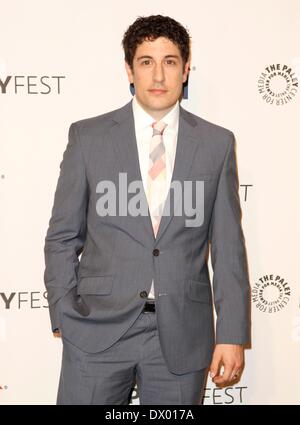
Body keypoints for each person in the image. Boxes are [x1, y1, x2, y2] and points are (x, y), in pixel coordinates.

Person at [44, 14, 250, 405]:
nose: (158, 75)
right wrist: (64, 314)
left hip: (181, 337)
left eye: (170, 62)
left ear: (186, 70)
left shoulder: (216, 144)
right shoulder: (87, 138)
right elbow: (61, 237)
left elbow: (229, 249)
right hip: (97, 332)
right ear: (129, 69)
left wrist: (232, 333)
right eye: (146, 62)